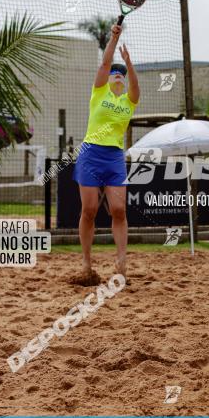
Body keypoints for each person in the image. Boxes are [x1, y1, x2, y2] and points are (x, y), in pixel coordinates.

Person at [72, 24, 138, 284]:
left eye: (121, 74)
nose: (117, 74)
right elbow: (105, 63)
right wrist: (114, 37)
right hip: (90, 153)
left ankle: (121, 265)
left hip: (114, 157)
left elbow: (135, 87)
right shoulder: (98, 94)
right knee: (88, 209)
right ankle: (86, 265)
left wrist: (129, 64)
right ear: (107, 79)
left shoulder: (128, 102)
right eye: (114, 73)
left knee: (119, 209)